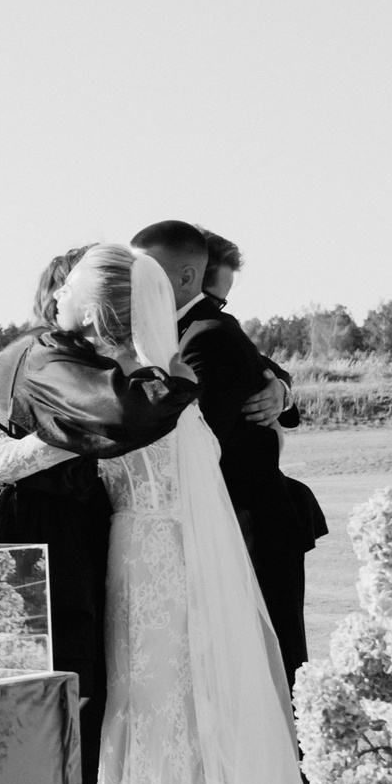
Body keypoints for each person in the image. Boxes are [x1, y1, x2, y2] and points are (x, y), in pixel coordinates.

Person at [74, 245, 330, 784]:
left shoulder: (141, 396)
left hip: (152, 571)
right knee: (150, 730)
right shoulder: (155, 388)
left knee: (163, 729)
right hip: (145, 571)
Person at [0, 243, 198, 784]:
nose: (56, 296)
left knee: (47, 690)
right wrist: (169, 385)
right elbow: (119, 415)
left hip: (49, 526)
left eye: (67, 286)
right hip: (41, 534)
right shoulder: (49, 357)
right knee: (56, 687)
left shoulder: (46, 354)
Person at [145, 222, 324, 688]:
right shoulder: (176, 329)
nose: (217, 307)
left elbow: (200, 440)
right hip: (234, 518)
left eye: (220, 300)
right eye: (212, 294)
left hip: (249, 525)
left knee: (272, 665)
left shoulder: (206, 332)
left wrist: (280, 389)